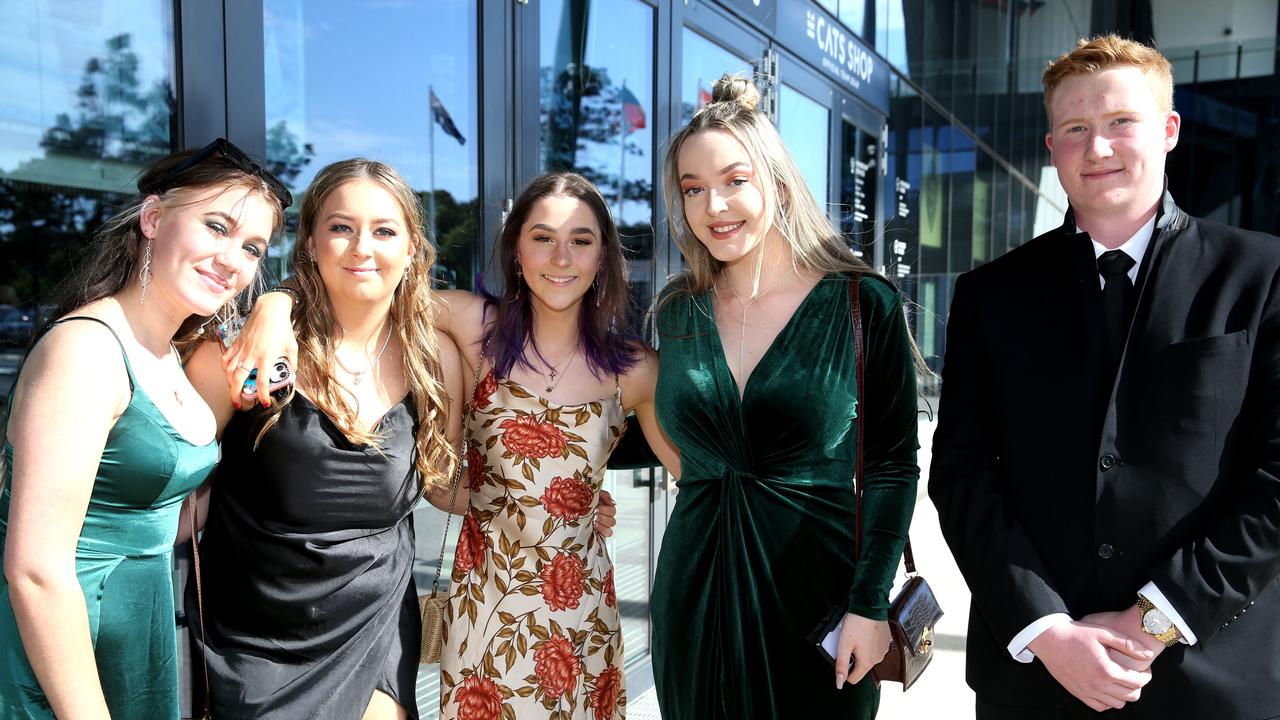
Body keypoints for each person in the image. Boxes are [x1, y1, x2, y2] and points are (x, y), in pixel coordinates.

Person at [232, 171, 677, 719]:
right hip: (486, 607)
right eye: (542, 237)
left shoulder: (636, 370)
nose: (561, 257)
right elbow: (372, 283)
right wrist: (273, 306)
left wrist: (574, 503)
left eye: (581, 241)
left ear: (604, 256)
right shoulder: (472, 326)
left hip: (580, 608)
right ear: (517, 249)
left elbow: (693, 474)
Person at [929, 34, 1280, 719]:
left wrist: (1154, 619)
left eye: (1121, 122)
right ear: (1052, 145)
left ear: (1169, 129)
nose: (1098, 148)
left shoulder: (1264, 277)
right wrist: (1047, 631)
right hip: (1035, 680)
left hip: (1211, 677)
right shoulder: (989, 295)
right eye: (1075, 129)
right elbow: (963, 474)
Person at [650, 75, 921, 719]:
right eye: (693, 189)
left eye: (734, 181)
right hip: (694, 597)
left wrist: (870, 602)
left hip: (819, 607)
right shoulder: (677, 313)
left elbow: (891, 469)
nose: (714, 205)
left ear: (776, 181)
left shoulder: (862, 304)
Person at [0, 139, 286, 719]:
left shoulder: (178, 354)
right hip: (60, 645)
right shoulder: (87, 350)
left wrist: (275, 307)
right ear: (154, 220)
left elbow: (162, 513)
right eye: (215, 226)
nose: (232, 259)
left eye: (253, 247)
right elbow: (35, 569)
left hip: (139, 632)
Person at [181, 158, 462, 720]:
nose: (362, 247)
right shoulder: (239, 355)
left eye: (384, 230)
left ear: (412, 250)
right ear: (309, 242)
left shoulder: (436, 360)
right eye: (341, 227)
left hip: (374, 627)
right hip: (253, 645)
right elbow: (183, 497)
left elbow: (446, 488)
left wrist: (560, 503)